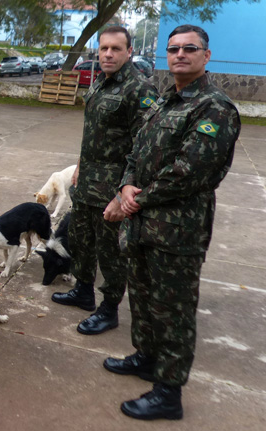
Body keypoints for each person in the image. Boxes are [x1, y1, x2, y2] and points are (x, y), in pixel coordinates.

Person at [104, 24, 241, 420]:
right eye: (173, 49)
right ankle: (145, 359)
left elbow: (190, 171)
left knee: (174, 309)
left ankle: (168, 392)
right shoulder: (164, 100)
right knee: (144, 298)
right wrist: (127, 184)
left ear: (206, 55)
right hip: (143, 221)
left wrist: (134, 199)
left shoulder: (214, 108)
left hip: (177, 231)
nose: (180, 54)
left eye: (189, 48)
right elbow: (137, 150)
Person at [51, 26, 159, 335]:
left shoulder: (140, 89)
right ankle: (83, 291)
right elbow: (92, 133)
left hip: (113, 188)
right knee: (83, 242)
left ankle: (109, 309)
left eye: (115, 48)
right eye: (103, 48)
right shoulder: (100, 82)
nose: (108, 54)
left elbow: (145, 147)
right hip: (86, 183)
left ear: (129, 52)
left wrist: (121, 194)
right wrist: (80, 166)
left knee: (111, 252)